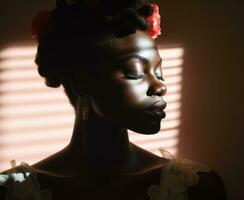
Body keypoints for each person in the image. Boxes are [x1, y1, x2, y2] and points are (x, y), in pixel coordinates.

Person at [0, 0, 226, 199]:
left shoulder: (194, 187)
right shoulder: (13, 192)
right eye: (136, 72)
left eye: (159, 72)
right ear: (82, 82)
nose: (160, 86)